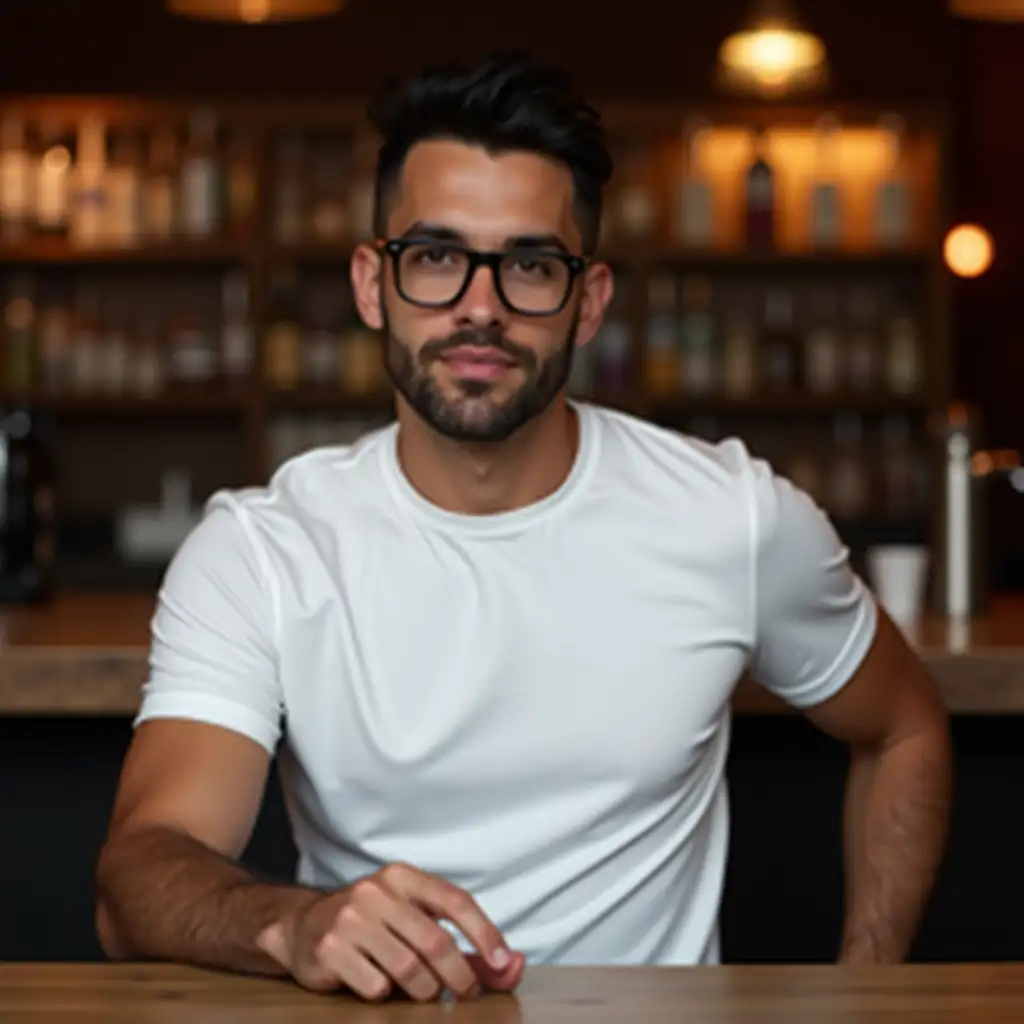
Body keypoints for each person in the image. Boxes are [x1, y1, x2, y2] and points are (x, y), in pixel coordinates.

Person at [94, 51, 953, 1002]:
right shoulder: (263, 551)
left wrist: (872, 994)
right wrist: (291, 923)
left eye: (531, 266)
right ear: (372, 285)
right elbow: (139, 871)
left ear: (588, 304)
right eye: (435, 257)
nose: (480, 307)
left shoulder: (735, 518)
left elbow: (904, 729)